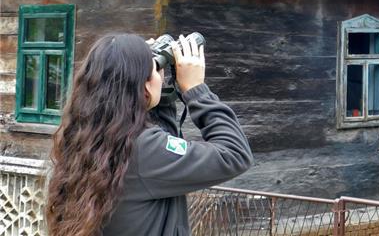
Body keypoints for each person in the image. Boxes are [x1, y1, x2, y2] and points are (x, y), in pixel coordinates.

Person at [45, 33, 253, 236]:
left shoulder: (87, 139)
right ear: (142, 85)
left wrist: (158, 94)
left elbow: (163, 139)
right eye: (154, 71)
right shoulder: (143, 149)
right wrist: (197, 90)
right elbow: (234, 154)